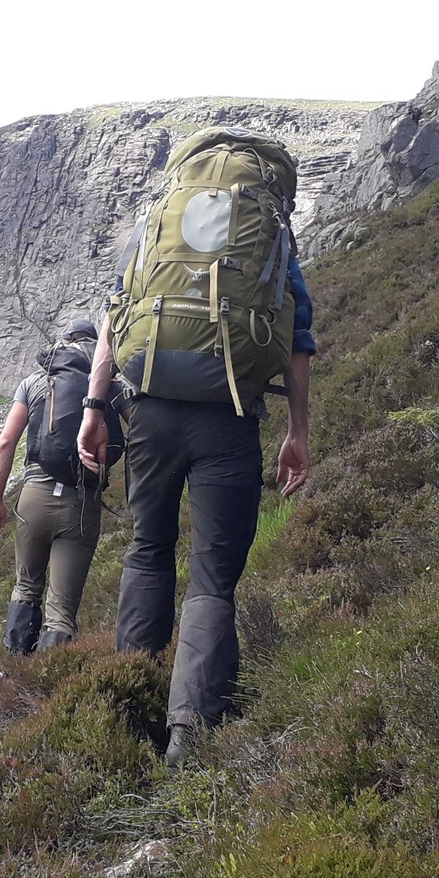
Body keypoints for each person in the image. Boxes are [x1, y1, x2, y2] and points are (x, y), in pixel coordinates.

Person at [77, 182, 316, 767]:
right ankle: (188, 734)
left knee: (147, 547)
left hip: (149, 411)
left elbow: (114, 319)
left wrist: (93, 409)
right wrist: (297, 431)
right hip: (230, 417)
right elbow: (297, 341)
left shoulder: (155, 225)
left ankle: (132, 710)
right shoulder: (272, 233)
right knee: (211, 574)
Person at [0, 318, 122, 653]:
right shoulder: (107, 385)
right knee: (61, 612)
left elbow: (6, 442)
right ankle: (48, 685)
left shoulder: (34, 382)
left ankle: (16, 671)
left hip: (34, 500)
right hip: (81, 506)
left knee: (26, 587)